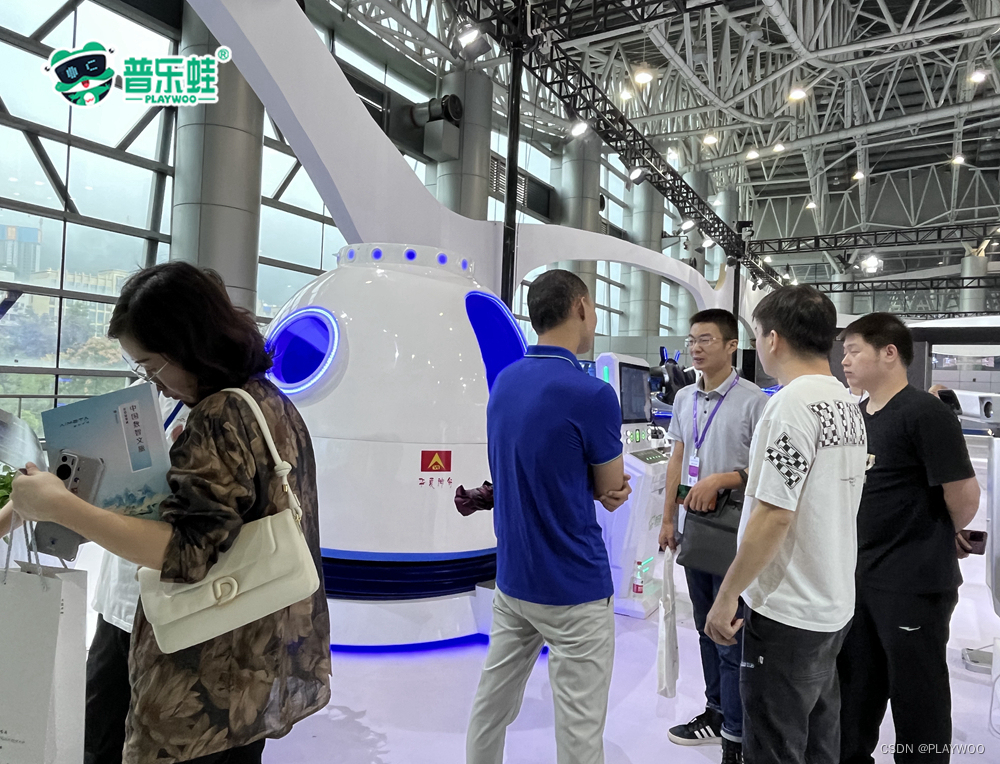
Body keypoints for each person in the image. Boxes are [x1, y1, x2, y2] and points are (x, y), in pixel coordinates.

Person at [10, 262, 331, 764]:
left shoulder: (220, 414)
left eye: (152, 366)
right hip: (252, 649)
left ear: (187, 345)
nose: (154, 384)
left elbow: (183, 553)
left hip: (204, 659)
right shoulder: (267, 400)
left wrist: (62, 507)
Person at [466, 269, 632, 764]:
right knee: (580, 731)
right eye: (594, 308)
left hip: (514, 580)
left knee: (490, 708)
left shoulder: (505, 382)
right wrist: (603, 486)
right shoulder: (593, 394)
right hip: (575, 587)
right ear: (580, 307)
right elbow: (611, 487)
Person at [705, 285, 868, 764]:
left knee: (775, 747)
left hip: (787, 611)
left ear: (773, 339)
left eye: (757, 335)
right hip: (831, 601)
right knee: (819, 742)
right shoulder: (845, 403)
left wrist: (728, 594)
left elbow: (776, 513)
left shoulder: (791, 406)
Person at [838, 313, 980, 763]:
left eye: (853, 350)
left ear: (889, 353)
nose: (845, 360)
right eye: (843, 352)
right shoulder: (856, 416)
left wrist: (937, 532)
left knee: (918, 700)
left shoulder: (924, 413)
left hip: (912, 584)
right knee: (854, 693)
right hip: (860, 579)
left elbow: (964, 495)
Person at [659, 309, 766, 762]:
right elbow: (677, 459)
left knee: (731, 634)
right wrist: (668, 518)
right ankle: (717, 712)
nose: (696, 348)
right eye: (691, 340)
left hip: (734, 533)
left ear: (730, 346)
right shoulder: (684, 397)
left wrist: (723, 479)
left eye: (706, 339)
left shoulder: (755, 401)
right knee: (706, 627)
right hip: (695, 530)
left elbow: (766, 469)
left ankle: (737, 735)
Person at [85, 391, 189, 764]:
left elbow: (190, 544)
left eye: (153, 364)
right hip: (119, 602)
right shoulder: (144, 396)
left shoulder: (222, 410)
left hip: (179, 614)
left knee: (161, 738)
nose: (151, 373)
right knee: (100, 729)